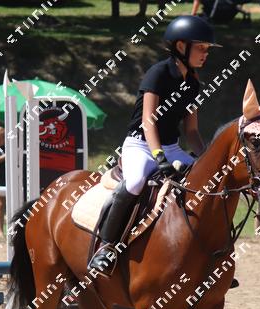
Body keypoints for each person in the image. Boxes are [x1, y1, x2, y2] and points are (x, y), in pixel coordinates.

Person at [88, 16, 221, 276]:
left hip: (172, 147)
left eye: (207, 49)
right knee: (136, 182)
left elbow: (191, 131)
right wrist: (159, 157)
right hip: (140, 145)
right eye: (201, 48)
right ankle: (105, 247)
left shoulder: (194, 83)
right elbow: (148, 121)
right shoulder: (158, 73)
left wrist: (207, 158)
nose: (206, 54)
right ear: (181, 46)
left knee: (209, 183)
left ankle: (212, 254)